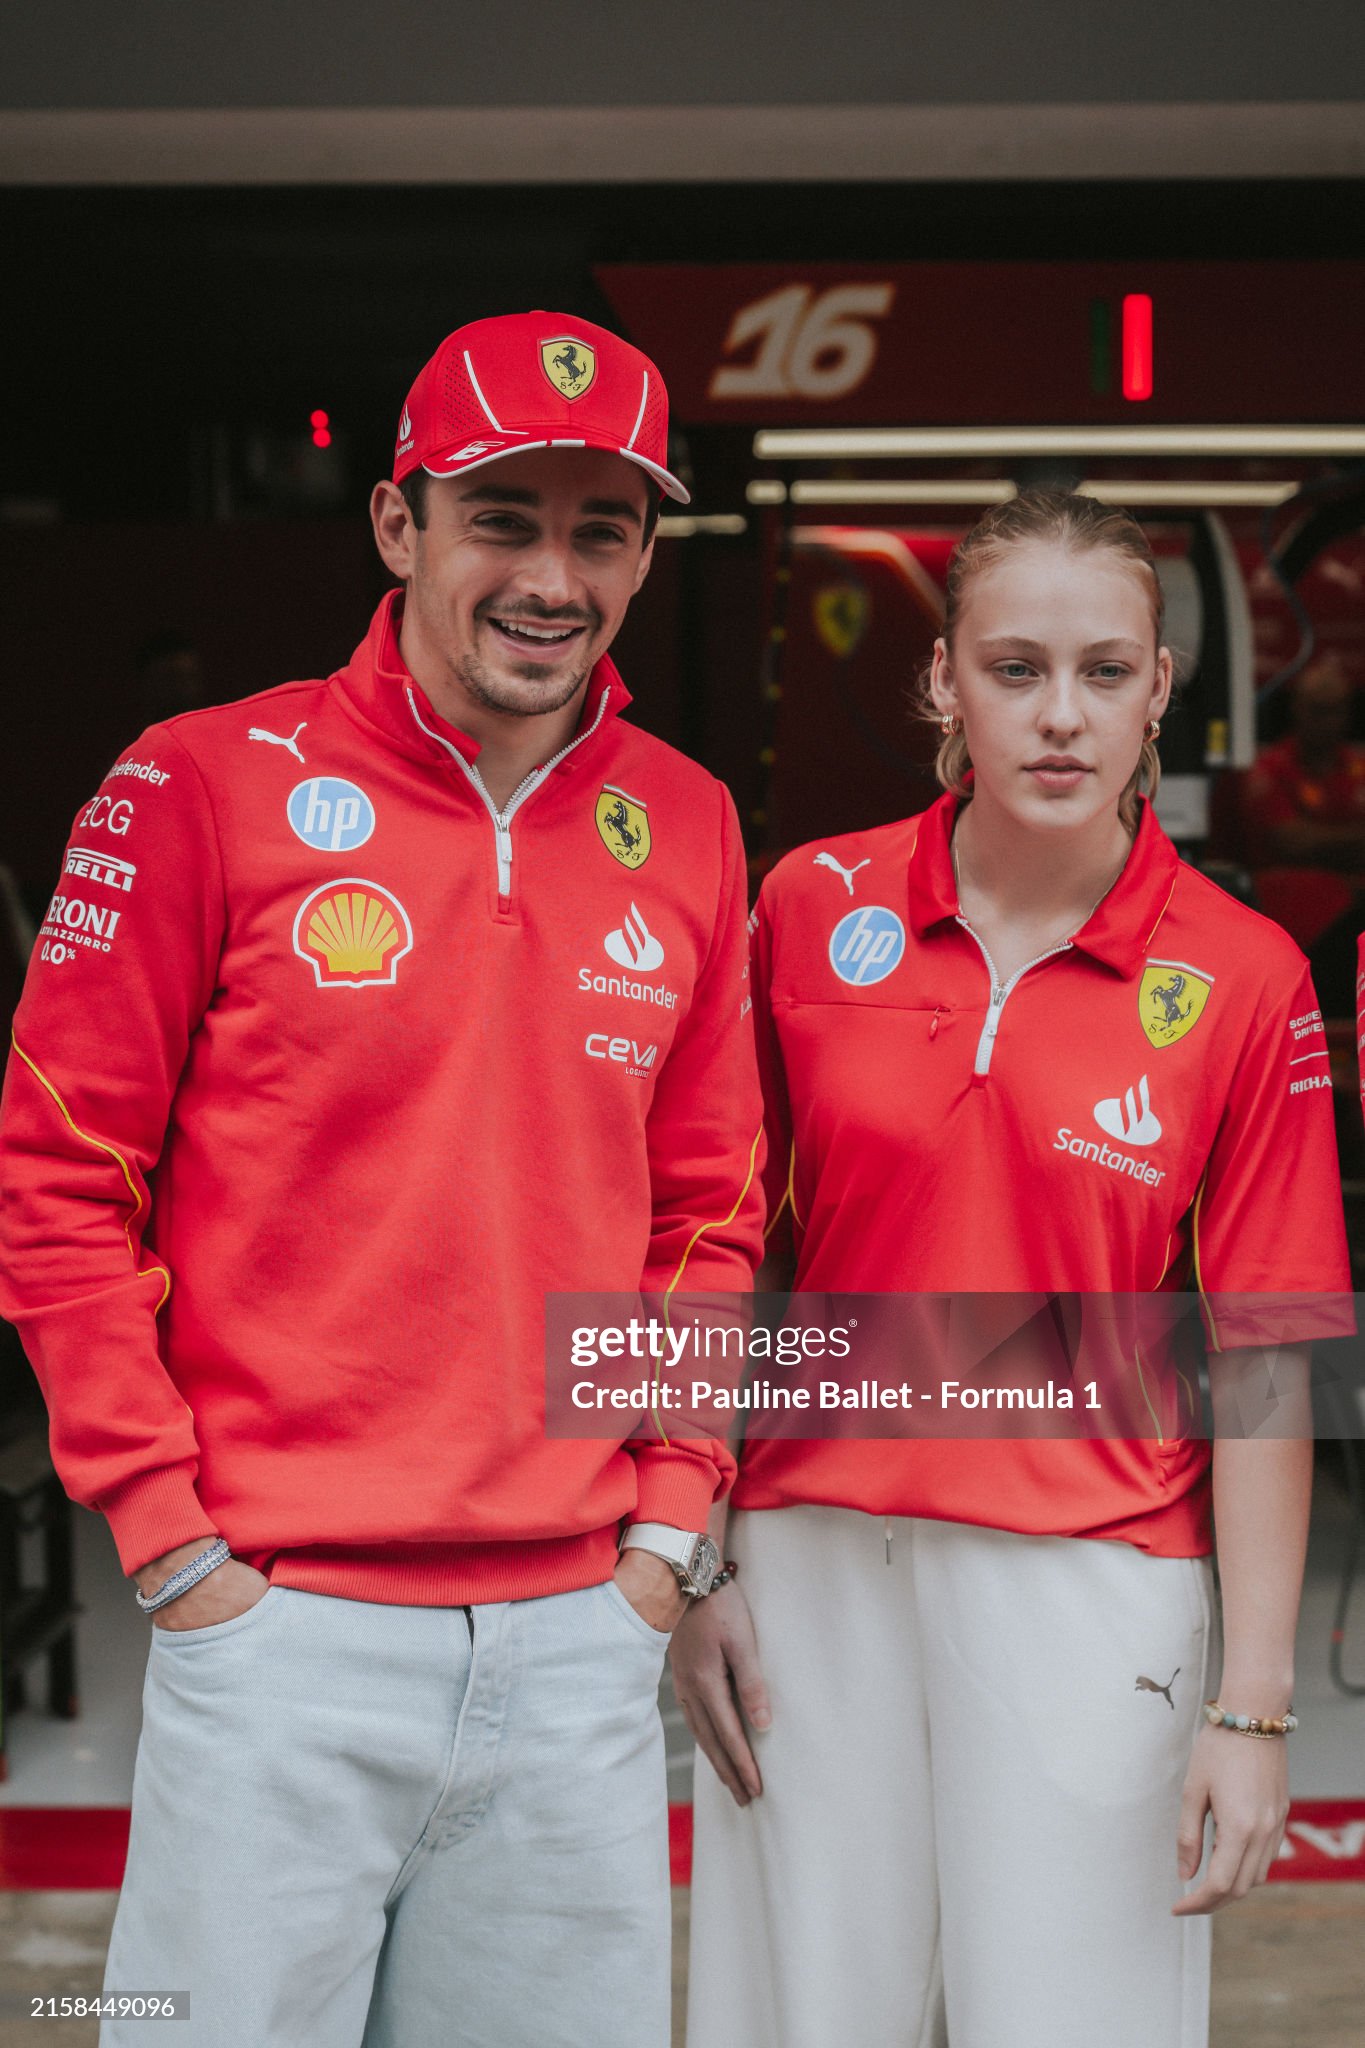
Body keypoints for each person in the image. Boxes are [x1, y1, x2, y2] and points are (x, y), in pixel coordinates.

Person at [0, 311, 763, 2048]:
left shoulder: (694, 822)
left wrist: (662, 1524)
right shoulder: (198, 783)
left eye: (602, 526)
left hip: (578, 1638)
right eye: (505, 515)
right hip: (279, 1629)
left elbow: (708, 1213)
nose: (551, 575)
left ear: (647, 552)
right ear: (397, 522)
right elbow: (54, 1181)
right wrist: (173, 1541)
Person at [672, 490, 1353, 2048]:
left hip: (1092, 1579)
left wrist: (1251, 1708)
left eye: (1106, 673)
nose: (1060, 718)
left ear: (1162, 690)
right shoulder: (805, 909)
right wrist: (695, 1554)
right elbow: (715, 1250)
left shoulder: (1242, 977)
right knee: (800, 2024)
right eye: (1015, 668)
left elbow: (1262, 1355)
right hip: (810, 1566)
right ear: (943, 684)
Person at [1232, 651, 1365, 1011]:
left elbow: (1307, 840)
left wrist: (1320, 840)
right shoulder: (1269, 768)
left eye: (1334, 710)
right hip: (1285, 906)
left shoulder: (1357, 766)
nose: (1325, 721)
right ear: (1296, 710)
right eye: (1315, 709)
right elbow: (1290, 841)